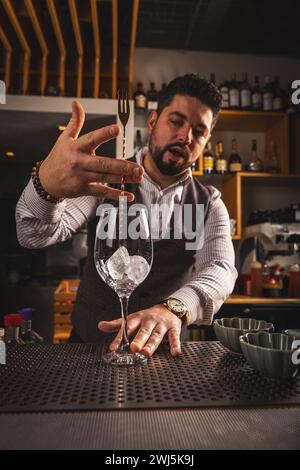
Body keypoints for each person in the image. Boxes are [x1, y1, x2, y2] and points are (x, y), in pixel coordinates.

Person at [16, 74, 237, 357]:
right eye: (176, 121)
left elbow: (219, 268)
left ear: (207, 140)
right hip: (88, 347)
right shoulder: (105, 179)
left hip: (159, 352)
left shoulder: (209, 203)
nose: (185, 136)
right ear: (153, 121)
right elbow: (32, 236)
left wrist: (173, 308)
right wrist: (45, 188)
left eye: (199, 130)